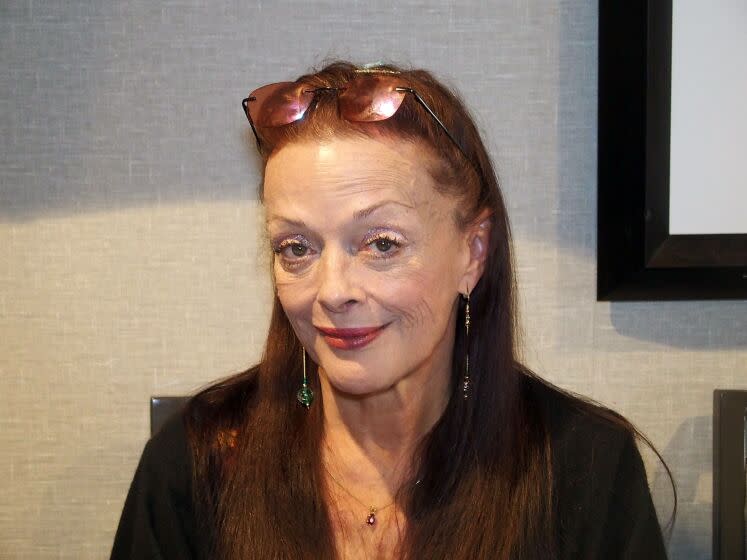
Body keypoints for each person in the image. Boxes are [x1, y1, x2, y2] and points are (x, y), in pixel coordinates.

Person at [111, 61, 673, 559]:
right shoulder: (199, 462)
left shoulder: (583, 470)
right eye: (297, 247)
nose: (332, 292)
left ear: (472, 252)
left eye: (381, 243)